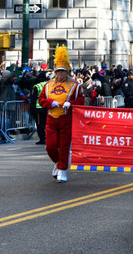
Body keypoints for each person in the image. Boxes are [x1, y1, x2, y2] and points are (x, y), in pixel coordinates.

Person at [38, 47, 84, 183]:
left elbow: (81, 101)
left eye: (63, 71)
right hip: (51, 119)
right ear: (55, 72)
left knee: (64, 146)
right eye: (58, 71)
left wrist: (71, 103)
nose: (61, 74)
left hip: (66, 120)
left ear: (67, 72)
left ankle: (62, 170)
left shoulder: (75, 86)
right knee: (50, 146)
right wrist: (49, 103)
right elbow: (40, 100)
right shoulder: (48, 86)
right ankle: (57, 162)